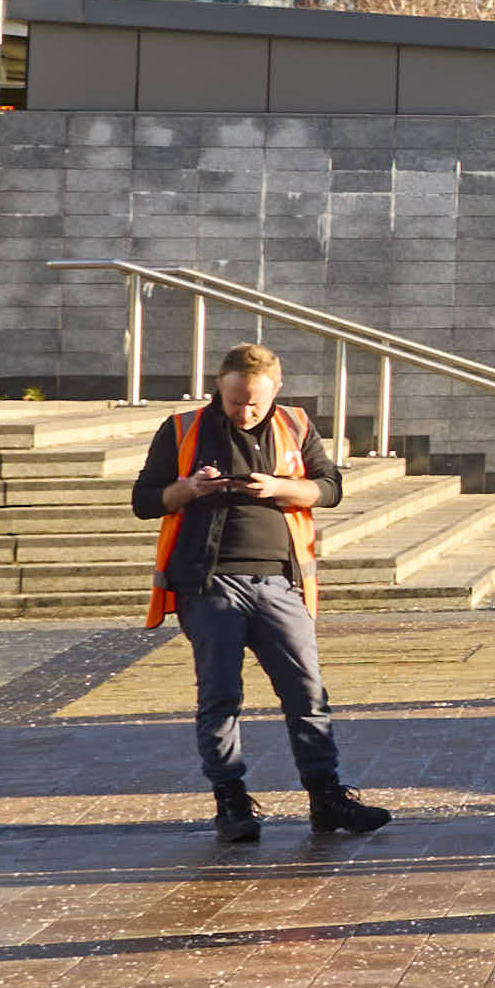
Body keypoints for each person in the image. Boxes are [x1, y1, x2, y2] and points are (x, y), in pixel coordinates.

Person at [128, 341, 391, 843]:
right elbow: (144, 501)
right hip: (209, 583)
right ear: (218, 389)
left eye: (254, 401)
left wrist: (278, 488)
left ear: (276, 390)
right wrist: (189, 489)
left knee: (307, 693)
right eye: (234, 400)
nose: (244, 410)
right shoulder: (182, 429)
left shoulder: (294, 424)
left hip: (281, 581)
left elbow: (329, 487)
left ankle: (327, 798)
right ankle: (231, 804)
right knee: (220, 697)